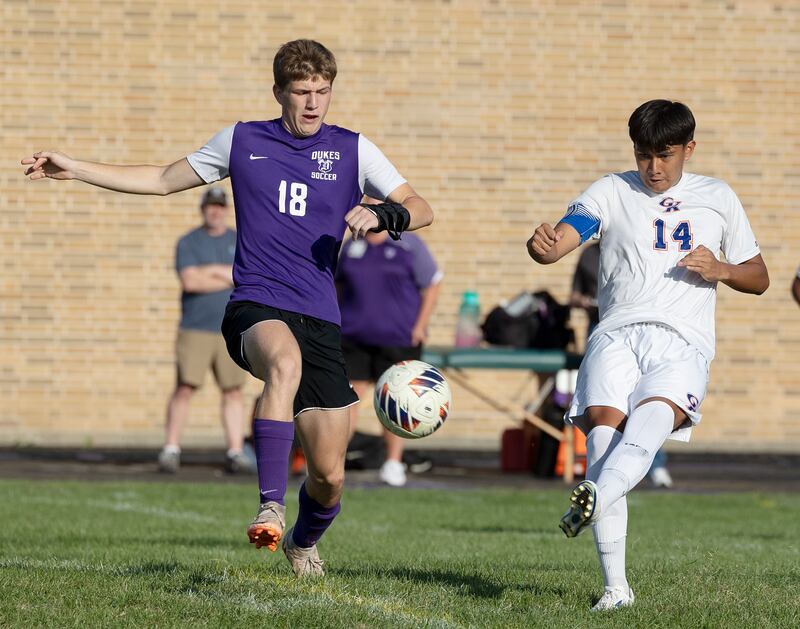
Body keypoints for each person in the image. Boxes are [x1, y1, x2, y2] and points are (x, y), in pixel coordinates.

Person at [21, 39, 433, 578]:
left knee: (330, 477)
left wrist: (385, 216)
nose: (313, 103)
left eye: (322, 91)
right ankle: (270, 506)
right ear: (278, 92)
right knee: (283, 362)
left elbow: (421, 207)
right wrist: (76, 168)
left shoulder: (354, 149)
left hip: (321, 319)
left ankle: (302, 542)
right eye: (301, 91)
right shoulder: (242, 140)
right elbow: (161, 179)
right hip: (256, 304)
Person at [527, 99, 768, 611]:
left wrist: (722, 269)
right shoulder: (611, 190)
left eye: (665, 154)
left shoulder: (718, 197)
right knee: (601, 439)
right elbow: (566, 235)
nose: (653, 167)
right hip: (615, 334)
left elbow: (759, 276)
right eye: (643, 155)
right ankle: (615, 589)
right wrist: (545, 247)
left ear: (689, 149)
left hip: (682, 339)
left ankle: (597, 498)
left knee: (649, 421)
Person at [336, 208, 442, 486]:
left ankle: (393, 462)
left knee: (396, 400)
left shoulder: (409, 244)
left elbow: (432, 284)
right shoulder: (351, 246)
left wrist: (420, 325)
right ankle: (335, 461)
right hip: (353, 336)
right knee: (348, 399)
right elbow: (337, 285)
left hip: (398, 338)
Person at [159, 186, 253, 475]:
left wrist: (210, 271)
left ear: (226, 209)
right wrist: (227, 274)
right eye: (211, 206)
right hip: (195, 328)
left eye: (220, 206)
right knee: (185, 388)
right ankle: (171, 449)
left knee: (233, 391)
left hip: (231, 329)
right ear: (203, 209)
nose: (215, 211)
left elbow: (246, 277)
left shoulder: (240, 239)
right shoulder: (189, 242)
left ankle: (235, 452)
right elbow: (191, 282)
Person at [570, 241, 673, 489]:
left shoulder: (637, 244)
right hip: (602, 327)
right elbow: (573, 296)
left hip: (640, 327)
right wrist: (586, 301)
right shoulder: (590, 254)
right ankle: (605, 470)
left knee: (647, 401)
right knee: (605, 404)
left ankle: (655, 465)